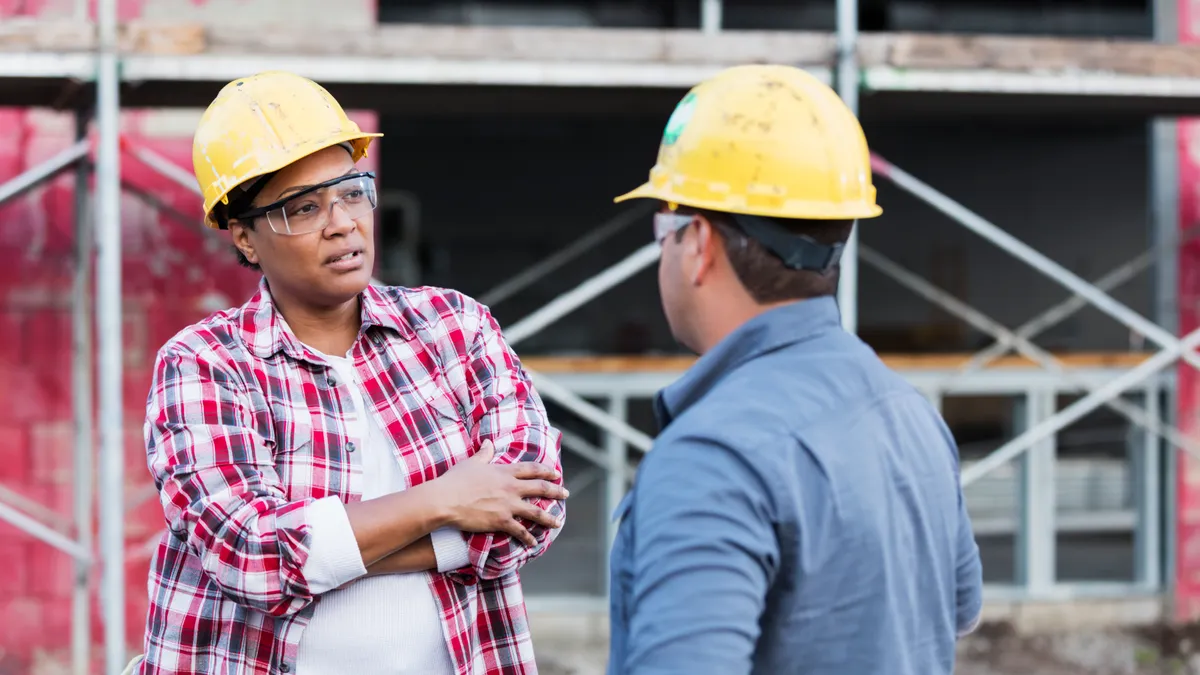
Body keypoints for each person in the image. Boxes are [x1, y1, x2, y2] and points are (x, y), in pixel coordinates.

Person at [134, 70, 567, 675]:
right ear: (245, 237)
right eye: (303, 208)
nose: (342, 222)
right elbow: (249, 558)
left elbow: (532, 511)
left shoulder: (454, 328)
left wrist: (330, 552)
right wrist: (444, 501)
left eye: (352, 192)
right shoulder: (206, 363)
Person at [605, 64, 984, 675]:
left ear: (698, 243)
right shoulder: (908, 412)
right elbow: (957, 610)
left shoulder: (711, 457)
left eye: (663, 227)